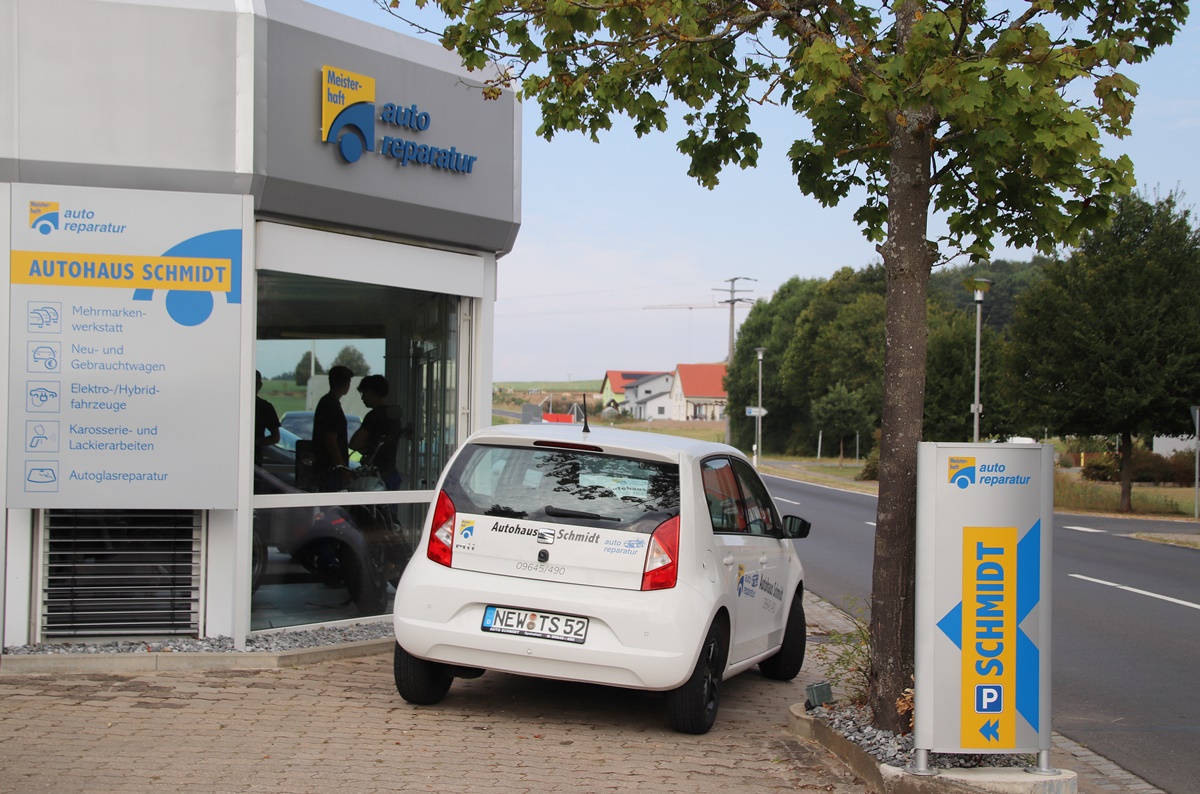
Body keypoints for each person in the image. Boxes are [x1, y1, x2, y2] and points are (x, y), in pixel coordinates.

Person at [350, 374, 406, 489]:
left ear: (372, 393)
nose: (362, 398)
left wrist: (369, 448)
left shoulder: (373, 416)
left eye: (363, 394)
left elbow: (354, 443)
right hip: (391, 472)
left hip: (376, 476)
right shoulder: (393, 416)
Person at [311, 365, 353, 490]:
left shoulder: (325, 402)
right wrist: (342, 468)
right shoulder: (332, 406)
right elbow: (331, 442)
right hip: (331, 470)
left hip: (324, 467)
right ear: (346, 384)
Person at [254, 370, 281, 468]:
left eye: (255, 383)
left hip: (255, 461)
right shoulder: (265, 407)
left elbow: (275, 437)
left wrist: (253, 442)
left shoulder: (265, 407)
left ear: (260, 385)